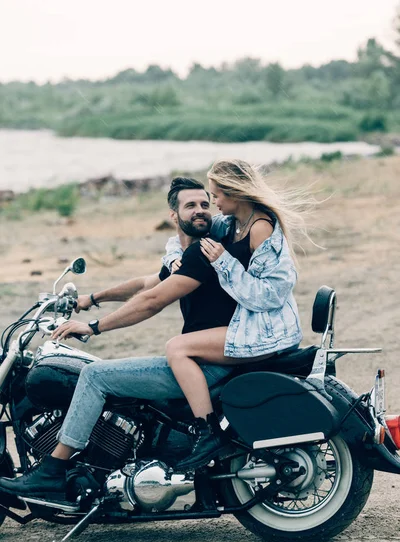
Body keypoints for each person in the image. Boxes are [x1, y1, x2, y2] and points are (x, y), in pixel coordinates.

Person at [0, 177, 237, 500]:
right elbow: (146, 284)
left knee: (95, 376)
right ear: (173, 215)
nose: (200, 211)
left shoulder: (202, 254)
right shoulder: (184, 256)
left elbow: (151, 302)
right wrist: (91, 298)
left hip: (207, 363)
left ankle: (53, 472)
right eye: (191, 205)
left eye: (205, 205)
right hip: (203, 356)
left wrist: (94, 326)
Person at [163, 159, 306, 471]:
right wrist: (175, 259)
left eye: (216, 195)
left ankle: (208, 432)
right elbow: (185, 236)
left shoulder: (262, 228)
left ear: (234, 193)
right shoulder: (229, 224)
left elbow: (270, 296)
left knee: (177, 347)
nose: (213, 203)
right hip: (249, 323)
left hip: (268, 330)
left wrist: (225, 263)